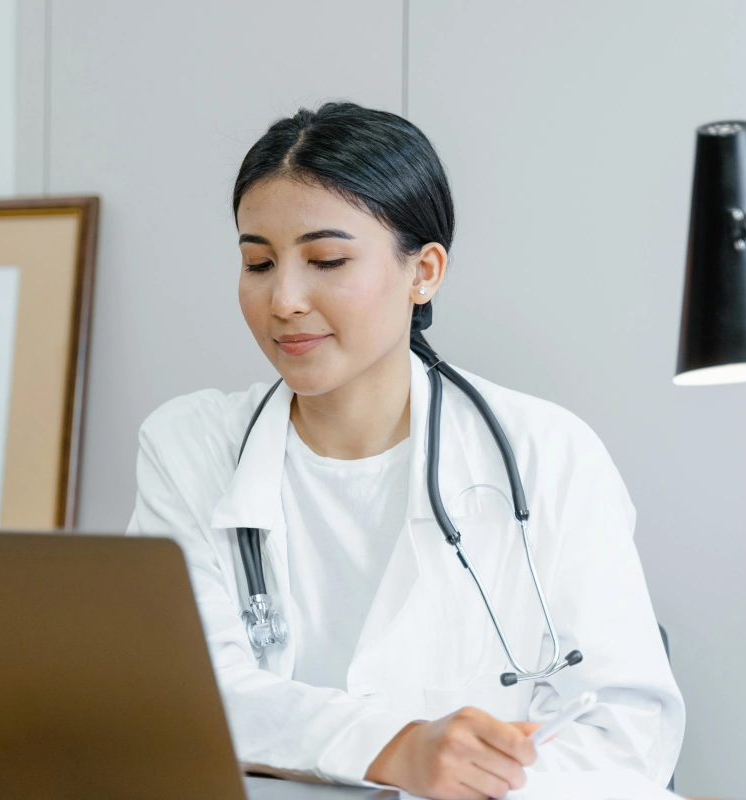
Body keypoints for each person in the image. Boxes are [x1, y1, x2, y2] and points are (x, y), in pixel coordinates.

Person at [126, 102, 683, 799]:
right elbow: (188, 697)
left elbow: (626, 732)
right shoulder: (191, 446)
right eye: (258, 262)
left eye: (326, 259)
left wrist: (465, 773)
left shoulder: (547, 453)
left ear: (423, 273)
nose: (285, 299)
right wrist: (394, 748)